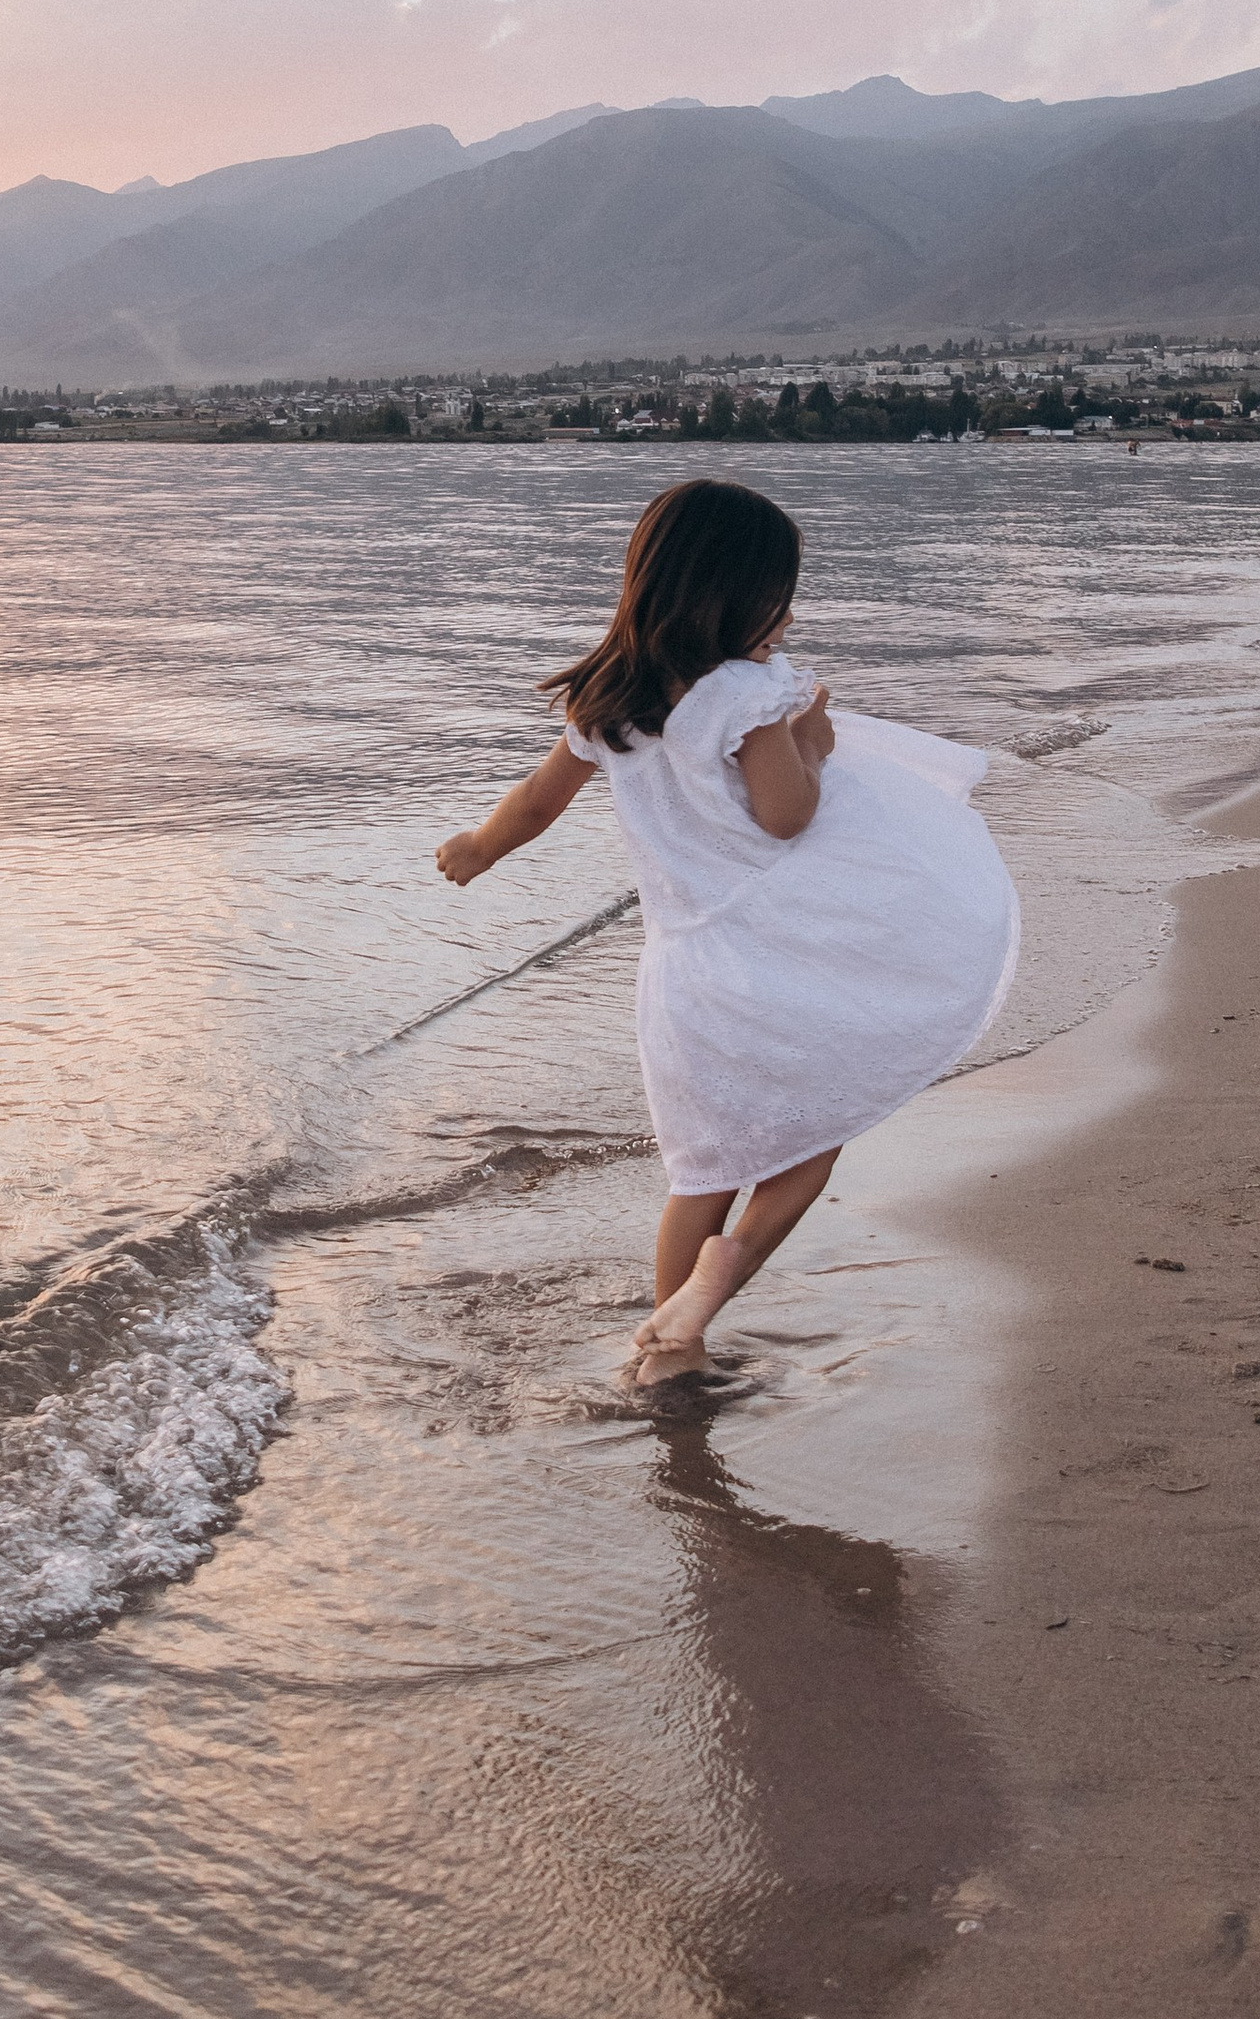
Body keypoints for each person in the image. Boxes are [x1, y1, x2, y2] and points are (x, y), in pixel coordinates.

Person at [436, 478, 1019, 1382]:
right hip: (782, 947)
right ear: (744, 595)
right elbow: (786, 817)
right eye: (781, 593)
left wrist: (477, 847)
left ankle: (674, 1344)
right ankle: (729, 1270)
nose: (787, 613)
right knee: (812, 1134)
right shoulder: (750, 693)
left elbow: (535, 806)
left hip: (688, 972)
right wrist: (811, 740)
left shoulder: (606, 697)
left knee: (700, 1168)